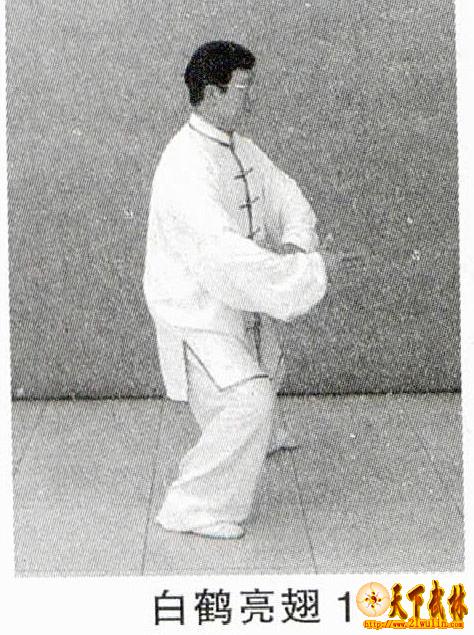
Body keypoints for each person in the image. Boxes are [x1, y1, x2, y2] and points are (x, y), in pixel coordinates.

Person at [143, 40, 331, 540]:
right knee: (249, 401)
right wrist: (305, 272)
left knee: (271, 364)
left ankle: (257, 440)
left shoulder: (241, 146)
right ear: (212, 92)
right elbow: (221, 255)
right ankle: (191, 505)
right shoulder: (185, 165)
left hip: (239, 293)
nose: (252, 98)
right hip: (197, 311)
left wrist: (295, 244)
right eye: (244, 88)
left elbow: (286, 194)